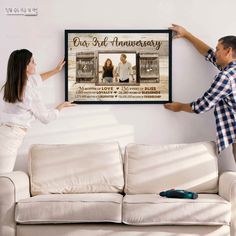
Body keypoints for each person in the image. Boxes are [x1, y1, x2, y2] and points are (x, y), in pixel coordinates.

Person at [164, 24, 236, 160]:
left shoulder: (226, 77)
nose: (215, 52)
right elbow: (208, 53)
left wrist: (179, 107)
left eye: (218, 49)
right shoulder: (231, 71)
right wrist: (186, 34)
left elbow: (202, 106)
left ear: (228, 51)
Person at [0, 49, 74, 173]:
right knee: (3, 177)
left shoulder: (9, 85)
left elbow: (37, 79)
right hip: (11, 138)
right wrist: (60, 106)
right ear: (25, 66)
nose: (36, 64)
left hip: (4, 132)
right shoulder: (29, 92)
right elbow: (46, 118)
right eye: (33, 62)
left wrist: (55, 71)